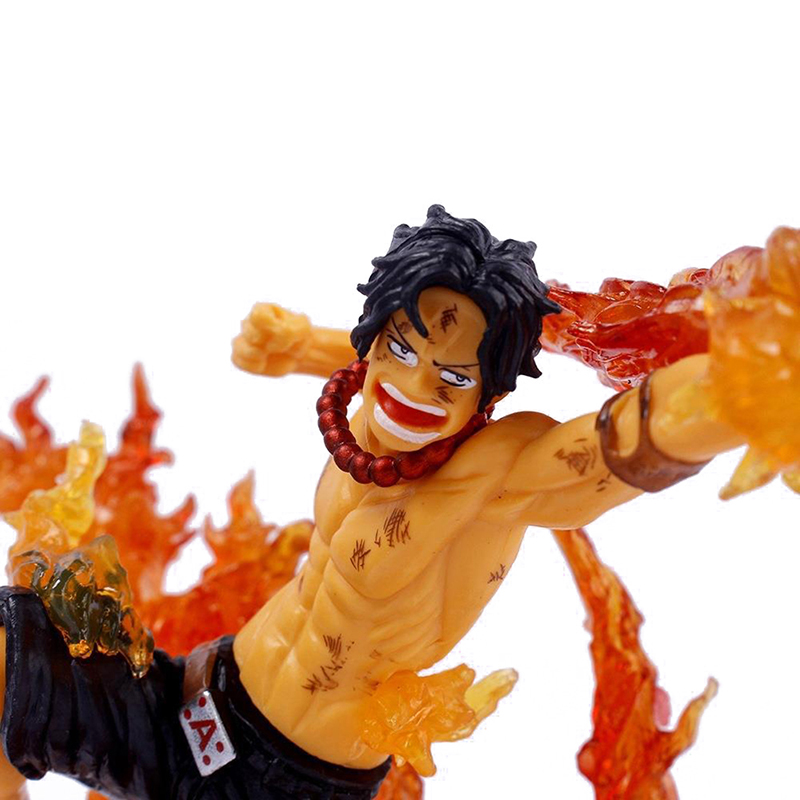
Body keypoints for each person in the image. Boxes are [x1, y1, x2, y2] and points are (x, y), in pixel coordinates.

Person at [0, 205, 744, 799]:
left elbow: (623, 442)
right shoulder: (368, 412)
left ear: (487, 395)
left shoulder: (496, 476)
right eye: (402, 348)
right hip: (189, 702)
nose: (415, 388)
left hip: (285, 783)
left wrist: (749, 385)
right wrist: (297, 346)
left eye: (454, 380)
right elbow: (372, 358)